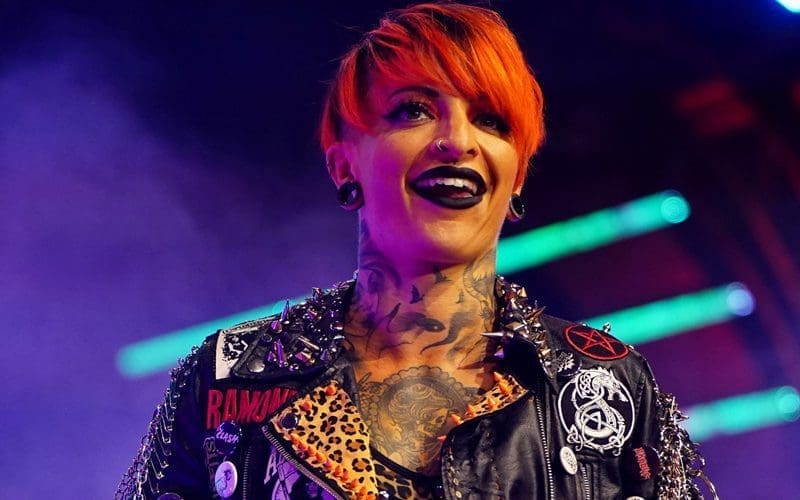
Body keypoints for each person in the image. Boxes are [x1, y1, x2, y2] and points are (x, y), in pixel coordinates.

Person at [117, 3, 716, 499]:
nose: (457, 141)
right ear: (344, 164)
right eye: (414, 110)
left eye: (491, 120)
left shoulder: (606, 385)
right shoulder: (229, 380)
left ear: (517, 176)